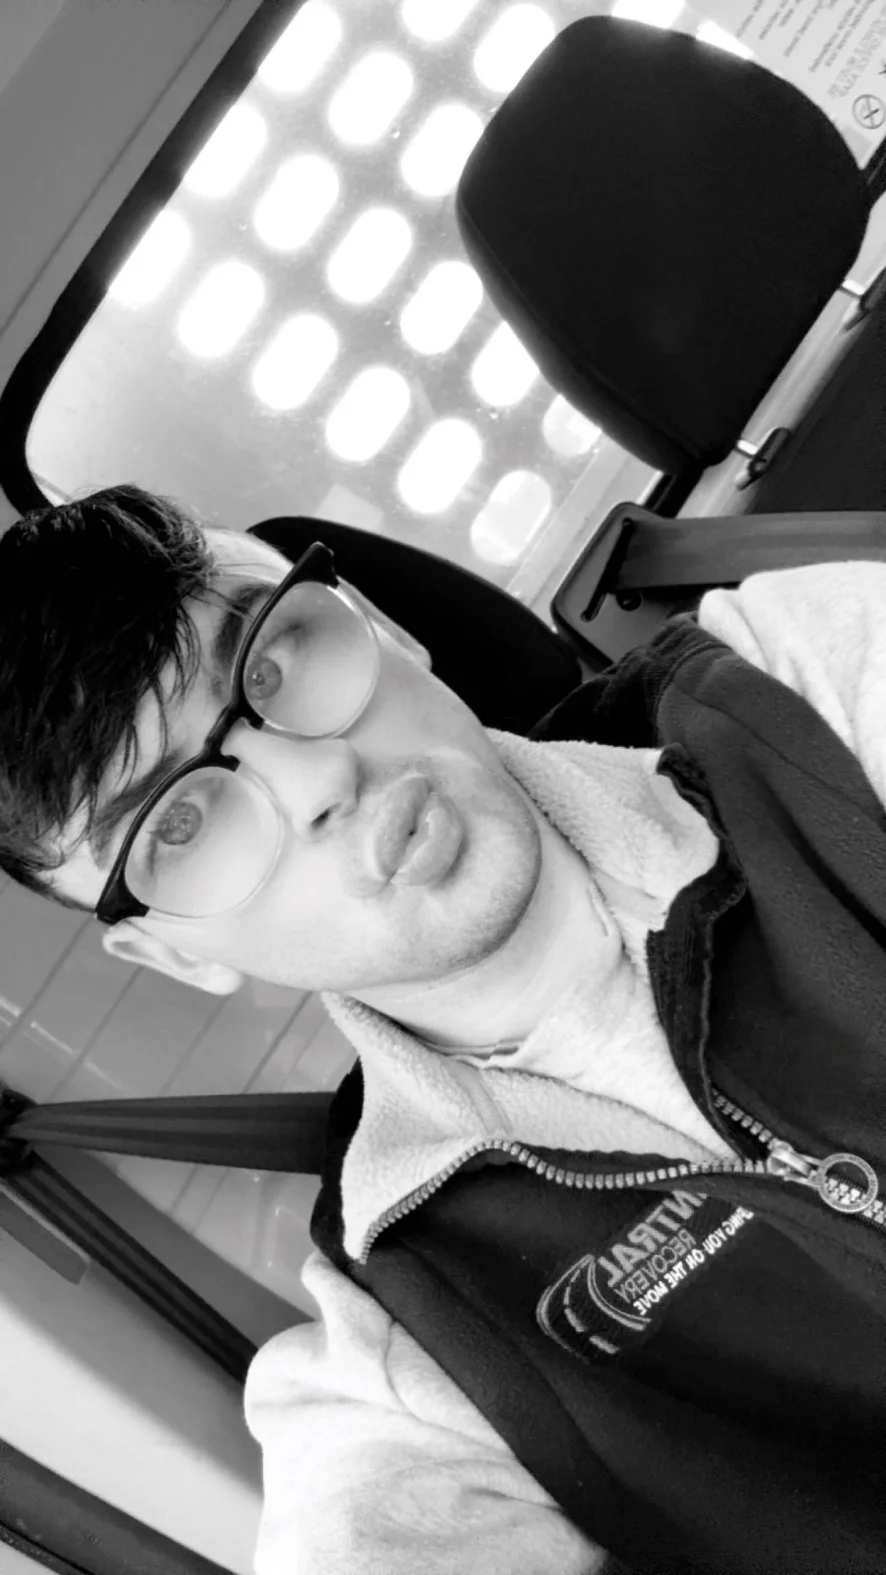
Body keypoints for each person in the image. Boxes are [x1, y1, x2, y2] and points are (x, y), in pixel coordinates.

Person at [1, 482, 885, 1575]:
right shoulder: (409, 1353)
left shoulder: (795, 689)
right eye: (176, 822)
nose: (320, 775)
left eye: (271, 663)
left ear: (380, 624)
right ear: (176, 952)